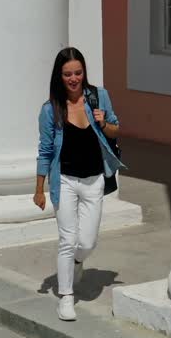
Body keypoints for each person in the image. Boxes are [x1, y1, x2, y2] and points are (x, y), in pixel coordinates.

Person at [35, 47, 124, 321]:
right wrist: (39, 188)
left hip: (94, 179)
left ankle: (77, 261)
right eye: (67, 74)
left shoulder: (99, 97)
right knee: (67, 240)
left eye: (78, 72)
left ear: (83, 72)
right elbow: (45, 150)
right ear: (59, 77)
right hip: (65, 181)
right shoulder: (51, 110)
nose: (73, 78)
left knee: (87, 242)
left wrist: (103, 122)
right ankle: (66, 297)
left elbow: (116, 129)